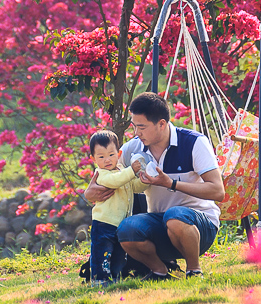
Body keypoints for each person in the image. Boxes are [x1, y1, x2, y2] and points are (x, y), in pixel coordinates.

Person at [86, 92, 225, 280]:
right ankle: (159, 272)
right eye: (134, 127)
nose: (136, 133)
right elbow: (107, 175)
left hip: (200, 226)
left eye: (142, 127)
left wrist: (171, 184)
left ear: (161, 124)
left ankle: (194, 270)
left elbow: (218, 191)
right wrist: (89, 193)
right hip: (160, 225)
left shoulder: (193, 142)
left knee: (175, 215)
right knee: (126, 229)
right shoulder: (132, 149)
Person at [84, 129, 142, 284]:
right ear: (93, 159)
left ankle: (115, 278)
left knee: (118, 254)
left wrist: (145, 180)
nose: (107, 160)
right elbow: (115, 181)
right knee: (102, 253)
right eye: (101, 156)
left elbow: (133, 187)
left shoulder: (122, 171)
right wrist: (132, 171)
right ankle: (100, 280)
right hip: (104, 222)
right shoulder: (101, 174)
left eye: (111, 154)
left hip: (120, 223)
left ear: (119, 153)